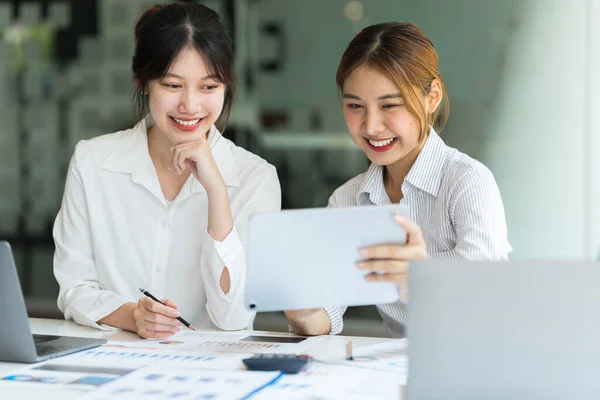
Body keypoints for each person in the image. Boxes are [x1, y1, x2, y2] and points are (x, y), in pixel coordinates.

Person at [53, 3, 281, 338]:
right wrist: (133, 316)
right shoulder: (92, 162)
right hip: (114, 367)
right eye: (173, 85)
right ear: (144, 83)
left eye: (208, 87)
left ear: (226, 87)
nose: (190, 105)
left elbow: (233, 317)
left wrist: (217, 192)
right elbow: (74, 289)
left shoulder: (255, 178)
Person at [285, 22, 511, 338]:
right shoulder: (347, 200)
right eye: (355, 106)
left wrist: (423, 278)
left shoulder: (467, 182)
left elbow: (488, 306)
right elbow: (327, 313)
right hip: (398, 370)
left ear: (432, 97)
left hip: (478, 367)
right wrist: (302, 311)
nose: (372, 126)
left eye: (390, 105)